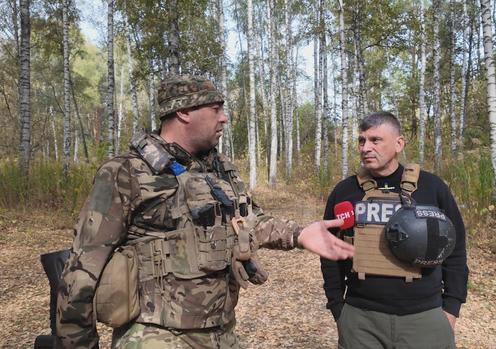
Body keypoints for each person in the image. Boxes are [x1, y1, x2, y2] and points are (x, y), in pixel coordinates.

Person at [55, 74, 354, 349]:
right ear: (184, 112)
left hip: (221, 332)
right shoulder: (125, 172)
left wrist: (300, 234)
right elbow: (82, 269)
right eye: (216, 109)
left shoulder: (218, 168)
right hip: (155, 336)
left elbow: (248, 219)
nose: (224, 118)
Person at [320, 111, 468, 349]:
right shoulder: (345, 192)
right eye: (361, 140)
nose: (365, 147)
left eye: (375, 140)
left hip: (425, 318)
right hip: (361, 319)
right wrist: (338, 307)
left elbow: (456, 249)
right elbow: (329, 250)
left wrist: (451, 307)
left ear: (399, 144)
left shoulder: (431, 188)